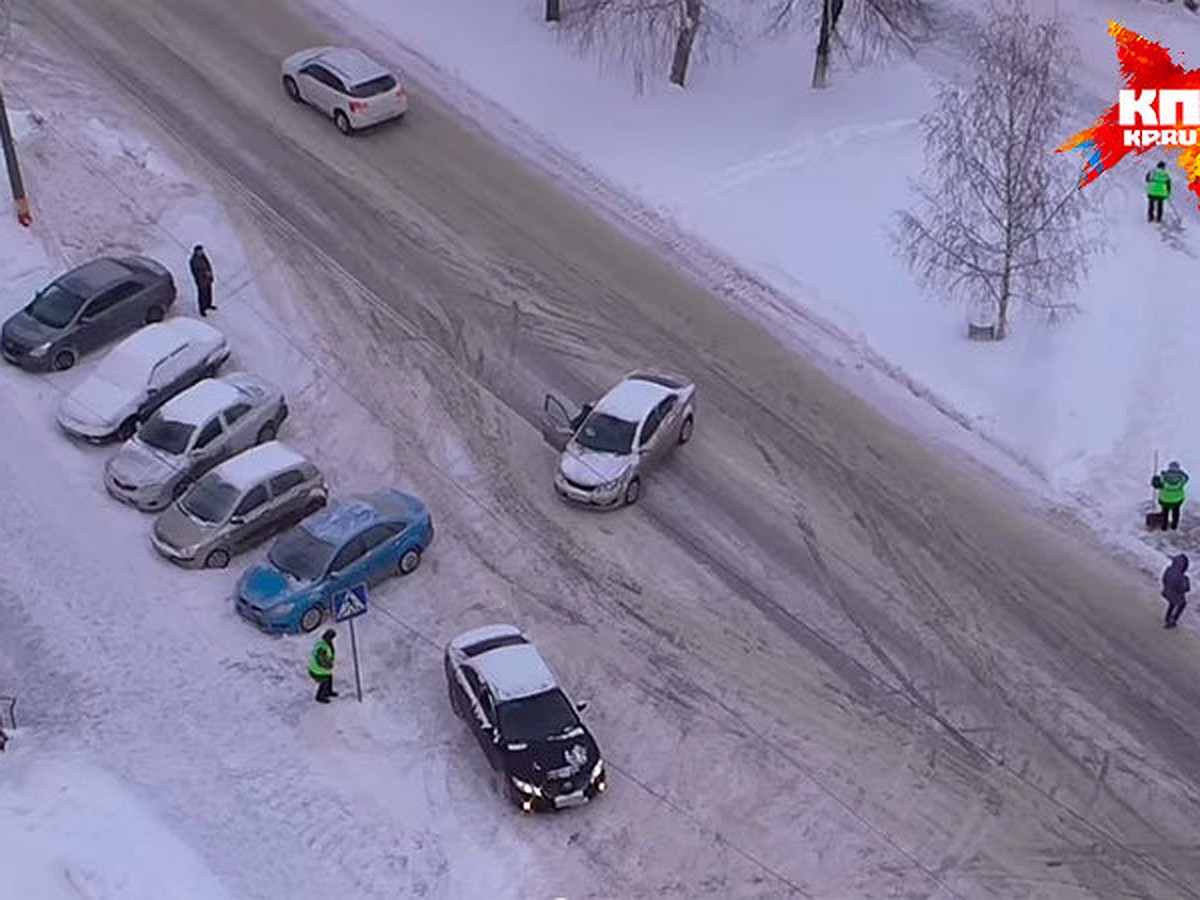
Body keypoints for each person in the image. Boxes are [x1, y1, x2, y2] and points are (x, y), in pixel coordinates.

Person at [1151, 460, 1189, 531]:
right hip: (1177, 499)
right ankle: (1174, 525)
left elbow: (1158, 483)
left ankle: (1164, 526)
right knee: (1176, 512)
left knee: (1165, 512)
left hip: (1164, 499)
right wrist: (1181, 473)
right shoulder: (1181, 478)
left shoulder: (1163, 476)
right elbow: (1186, 478)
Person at [1162, 554, 1191, 628]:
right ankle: (1173, 620)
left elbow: (1164, 579)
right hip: (1176, 596)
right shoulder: (1183, 578)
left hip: (1166, 592)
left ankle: (1167, 617)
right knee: (1182, 604)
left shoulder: (1168, 569)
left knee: (1172, 604)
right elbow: (1186, 589)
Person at [309, 629, 338, 703]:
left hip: (321, 669)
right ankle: (320, 697)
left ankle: (328, 691)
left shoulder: (325, 643)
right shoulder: (322, 647)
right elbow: (320, 659)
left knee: (329, 677)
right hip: (318, 670)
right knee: (325, 681)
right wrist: (328, 665)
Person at [189, 245, 215, 317]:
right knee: (202, 294)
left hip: (207, 278)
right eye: (199, 251)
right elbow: (196, 272)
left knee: (209, 292)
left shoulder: (204, 257)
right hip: (201, 280)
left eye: (201, 250)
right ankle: (202, 309)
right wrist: (204, 274)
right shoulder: (194, 260)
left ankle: (208, 305)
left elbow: (208, 266)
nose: (201, 252)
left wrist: (210, 275)